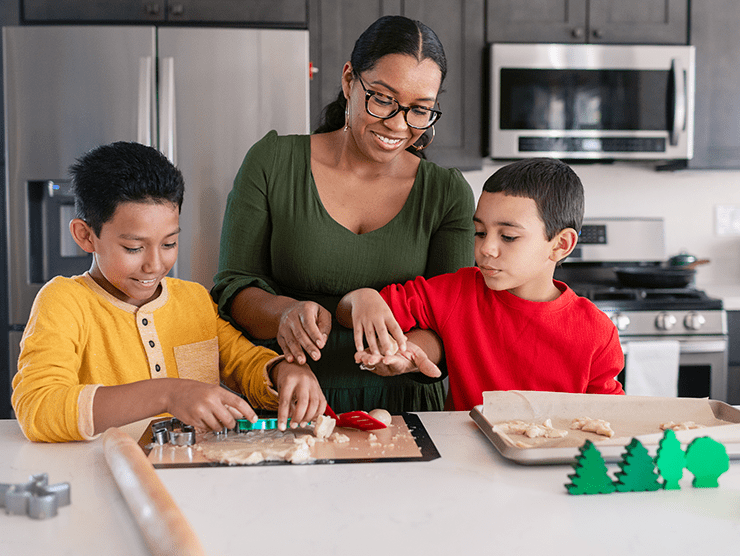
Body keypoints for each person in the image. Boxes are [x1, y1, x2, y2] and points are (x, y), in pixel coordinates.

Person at [212, 15, 475, 413]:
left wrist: (406, 354)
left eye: (419, 110)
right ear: (350, 80)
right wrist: (284, 312)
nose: (398, 125)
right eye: (383, 99)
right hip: (293, 397)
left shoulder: (447, 193)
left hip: (405, 404)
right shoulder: (272, 162)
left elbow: (451, 318)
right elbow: (232, 289)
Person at [12, 142, 325, 443]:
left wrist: (284, 372)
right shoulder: (65, 302)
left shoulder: (194, 300)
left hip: (195, 478)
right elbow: (39, 407)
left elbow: (244, 361)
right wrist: (168, 393)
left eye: (169, 244)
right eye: (134, 247)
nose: (154, 264)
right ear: (86, 235)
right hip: (106, 476)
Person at [337, 158, 625, 411]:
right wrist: (362, 299)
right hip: (463, 464)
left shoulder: (597, 334)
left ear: (560, 245)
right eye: (479, 232)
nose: (486, 248)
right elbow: (351, 313)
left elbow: (610, 425)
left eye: (508, 236)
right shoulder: (458, 292)